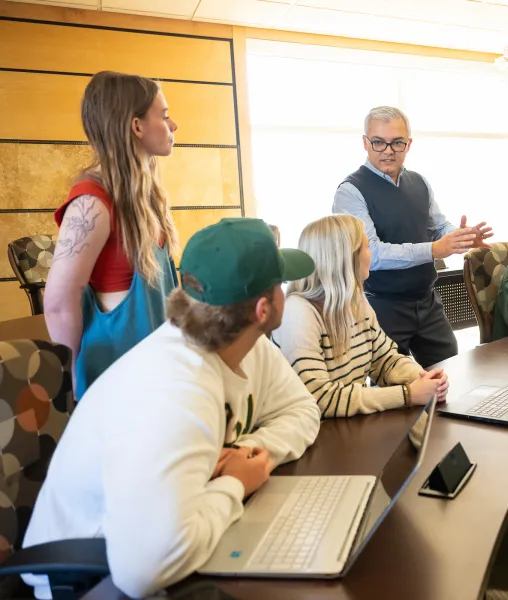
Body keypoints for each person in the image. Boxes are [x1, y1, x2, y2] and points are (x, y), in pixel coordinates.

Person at [24, 219, 322, 599]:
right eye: (280, 284)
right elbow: (143, 571)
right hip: (90, 580)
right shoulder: (176, 390)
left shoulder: (242, 344)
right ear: (263, 308)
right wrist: (234, 483)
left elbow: (302, 411)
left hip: (168, 536)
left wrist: (248, 455)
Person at [44, 71, 180, 399]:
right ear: (136, 126)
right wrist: (72, 381)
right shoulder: (92, 200)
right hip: (117, 381)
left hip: (155, 372)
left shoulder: (146, 196)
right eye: (163, 116)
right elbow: (59, 303)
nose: (173, 125)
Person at [333, 106, 493, 368]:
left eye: (397, 143)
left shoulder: (419, 182)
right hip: (381, 306)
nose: (388, 150)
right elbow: (372, 253)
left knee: (450, 374)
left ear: (408, 144)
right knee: (393, 387)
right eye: (378, 142)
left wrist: (459, 237)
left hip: (427, 301)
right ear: (365, 142)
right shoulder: (350, 191)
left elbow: (438, 226)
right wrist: (433, 250)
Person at [273, 215, 449, 418]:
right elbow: (320, 399)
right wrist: (408, 394)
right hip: (314, 436)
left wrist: (422, 379)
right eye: (366, 248)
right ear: (346, 257)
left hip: (348, 424)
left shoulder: (356, 299)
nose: (370, 254)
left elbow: (384, 360)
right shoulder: (298, 313)